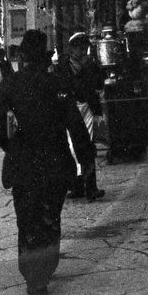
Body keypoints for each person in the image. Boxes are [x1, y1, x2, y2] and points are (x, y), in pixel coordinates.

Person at [0, 29, 95, 295]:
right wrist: (85, 158)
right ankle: (44, 269)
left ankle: (33, 275)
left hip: (23, 160)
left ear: (23, 57)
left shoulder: (11, 84)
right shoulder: (58, 84)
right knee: (50, 216)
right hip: (55, 158)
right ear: (45, 58)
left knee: (27, 217)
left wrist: (12, 147)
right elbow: (75, 124)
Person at [56, 31, 107, 200]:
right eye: (80, 48)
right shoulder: (63, 64)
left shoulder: (90, 64)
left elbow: (98, 84)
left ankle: (91, 187)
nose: (83, 51)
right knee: (71, 147)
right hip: (69, 108)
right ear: (72, 49)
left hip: (87, 107)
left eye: (85, 48)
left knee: (87, 146)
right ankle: (77, 186)